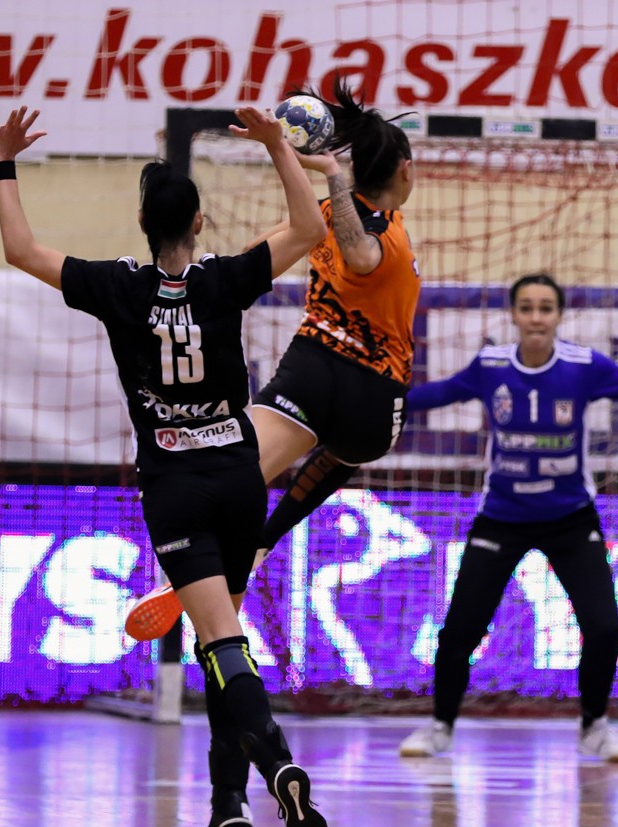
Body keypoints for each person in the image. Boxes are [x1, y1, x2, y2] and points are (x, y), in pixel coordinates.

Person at [0, 104, 332, 827]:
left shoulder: (117, 287)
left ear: (143, 224)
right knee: (225, 639)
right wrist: (278, 147)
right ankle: (227, 803)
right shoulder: (224, 281)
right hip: (239, 475)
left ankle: (277, 763)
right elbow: (310, 228)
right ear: (200, 223)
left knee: (220, 640)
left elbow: (19, 249)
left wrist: (5, 162)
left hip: (175, 486)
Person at [397, 273, 618, 762]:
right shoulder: (491, 367)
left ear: (559, 316)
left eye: (545, 308)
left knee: (604, 628)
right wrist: (365, 406)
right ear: (514, 316)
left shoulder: (583, 367)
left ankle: (595, 727)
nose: (536, 317)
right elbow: (435, 395)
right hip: (501, 517)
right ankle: (440, 726)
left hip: (569, 518)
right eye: (527, 308)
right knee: (460, 630)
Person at [127, 78, 420, 637]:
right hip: (372, 398)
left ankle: (215, 564)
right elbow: (362, 257)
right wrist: (329, 175)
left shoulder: (325, 215)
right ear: (405, 171)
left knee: (228, 472)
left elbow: (257, 252)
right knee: (340, 455)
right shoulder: (387, 233)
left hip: (312, 369)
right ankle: (253, 553)